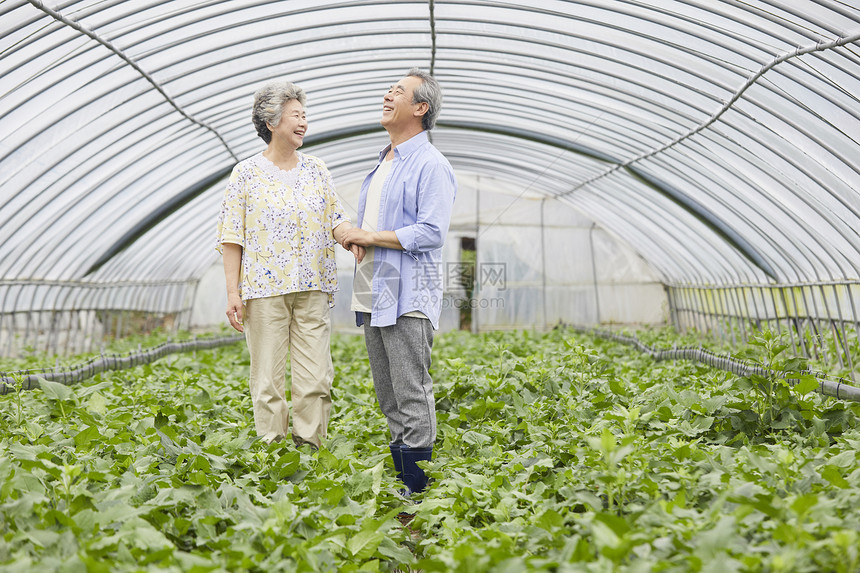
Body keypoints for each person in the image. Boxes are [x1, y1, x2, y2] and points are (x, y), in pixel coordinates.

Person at [216, 79, 360, 449]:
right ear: (271, 121)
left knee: (316, 378)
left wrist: (352, 237)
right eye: (296, 115)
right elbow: (232, 237)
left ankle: (310, 451)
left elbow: (334, 217)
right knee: (268, 380)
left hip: (312, 288)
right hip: (264, 292)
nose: (304, 123)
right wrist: (233, 292)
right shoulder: (245, 174)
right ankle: (273, 451)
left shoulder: (317, 170)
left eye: (305, 116)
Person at [341, 68, 456, 495]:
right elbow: (377, 223)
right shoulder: (385, 159)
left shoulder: (431, 164)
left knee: (411, 390)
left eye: (398, 91)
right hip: (374, 291)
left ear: (420, 108)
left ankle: (419, 487)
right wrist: (359, 237)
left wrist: (370, 236)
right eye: (388, 89)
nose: (387, 95)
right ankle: (404, 480)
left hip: (408, 294)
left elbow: (431, 232)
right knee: (387, 393)